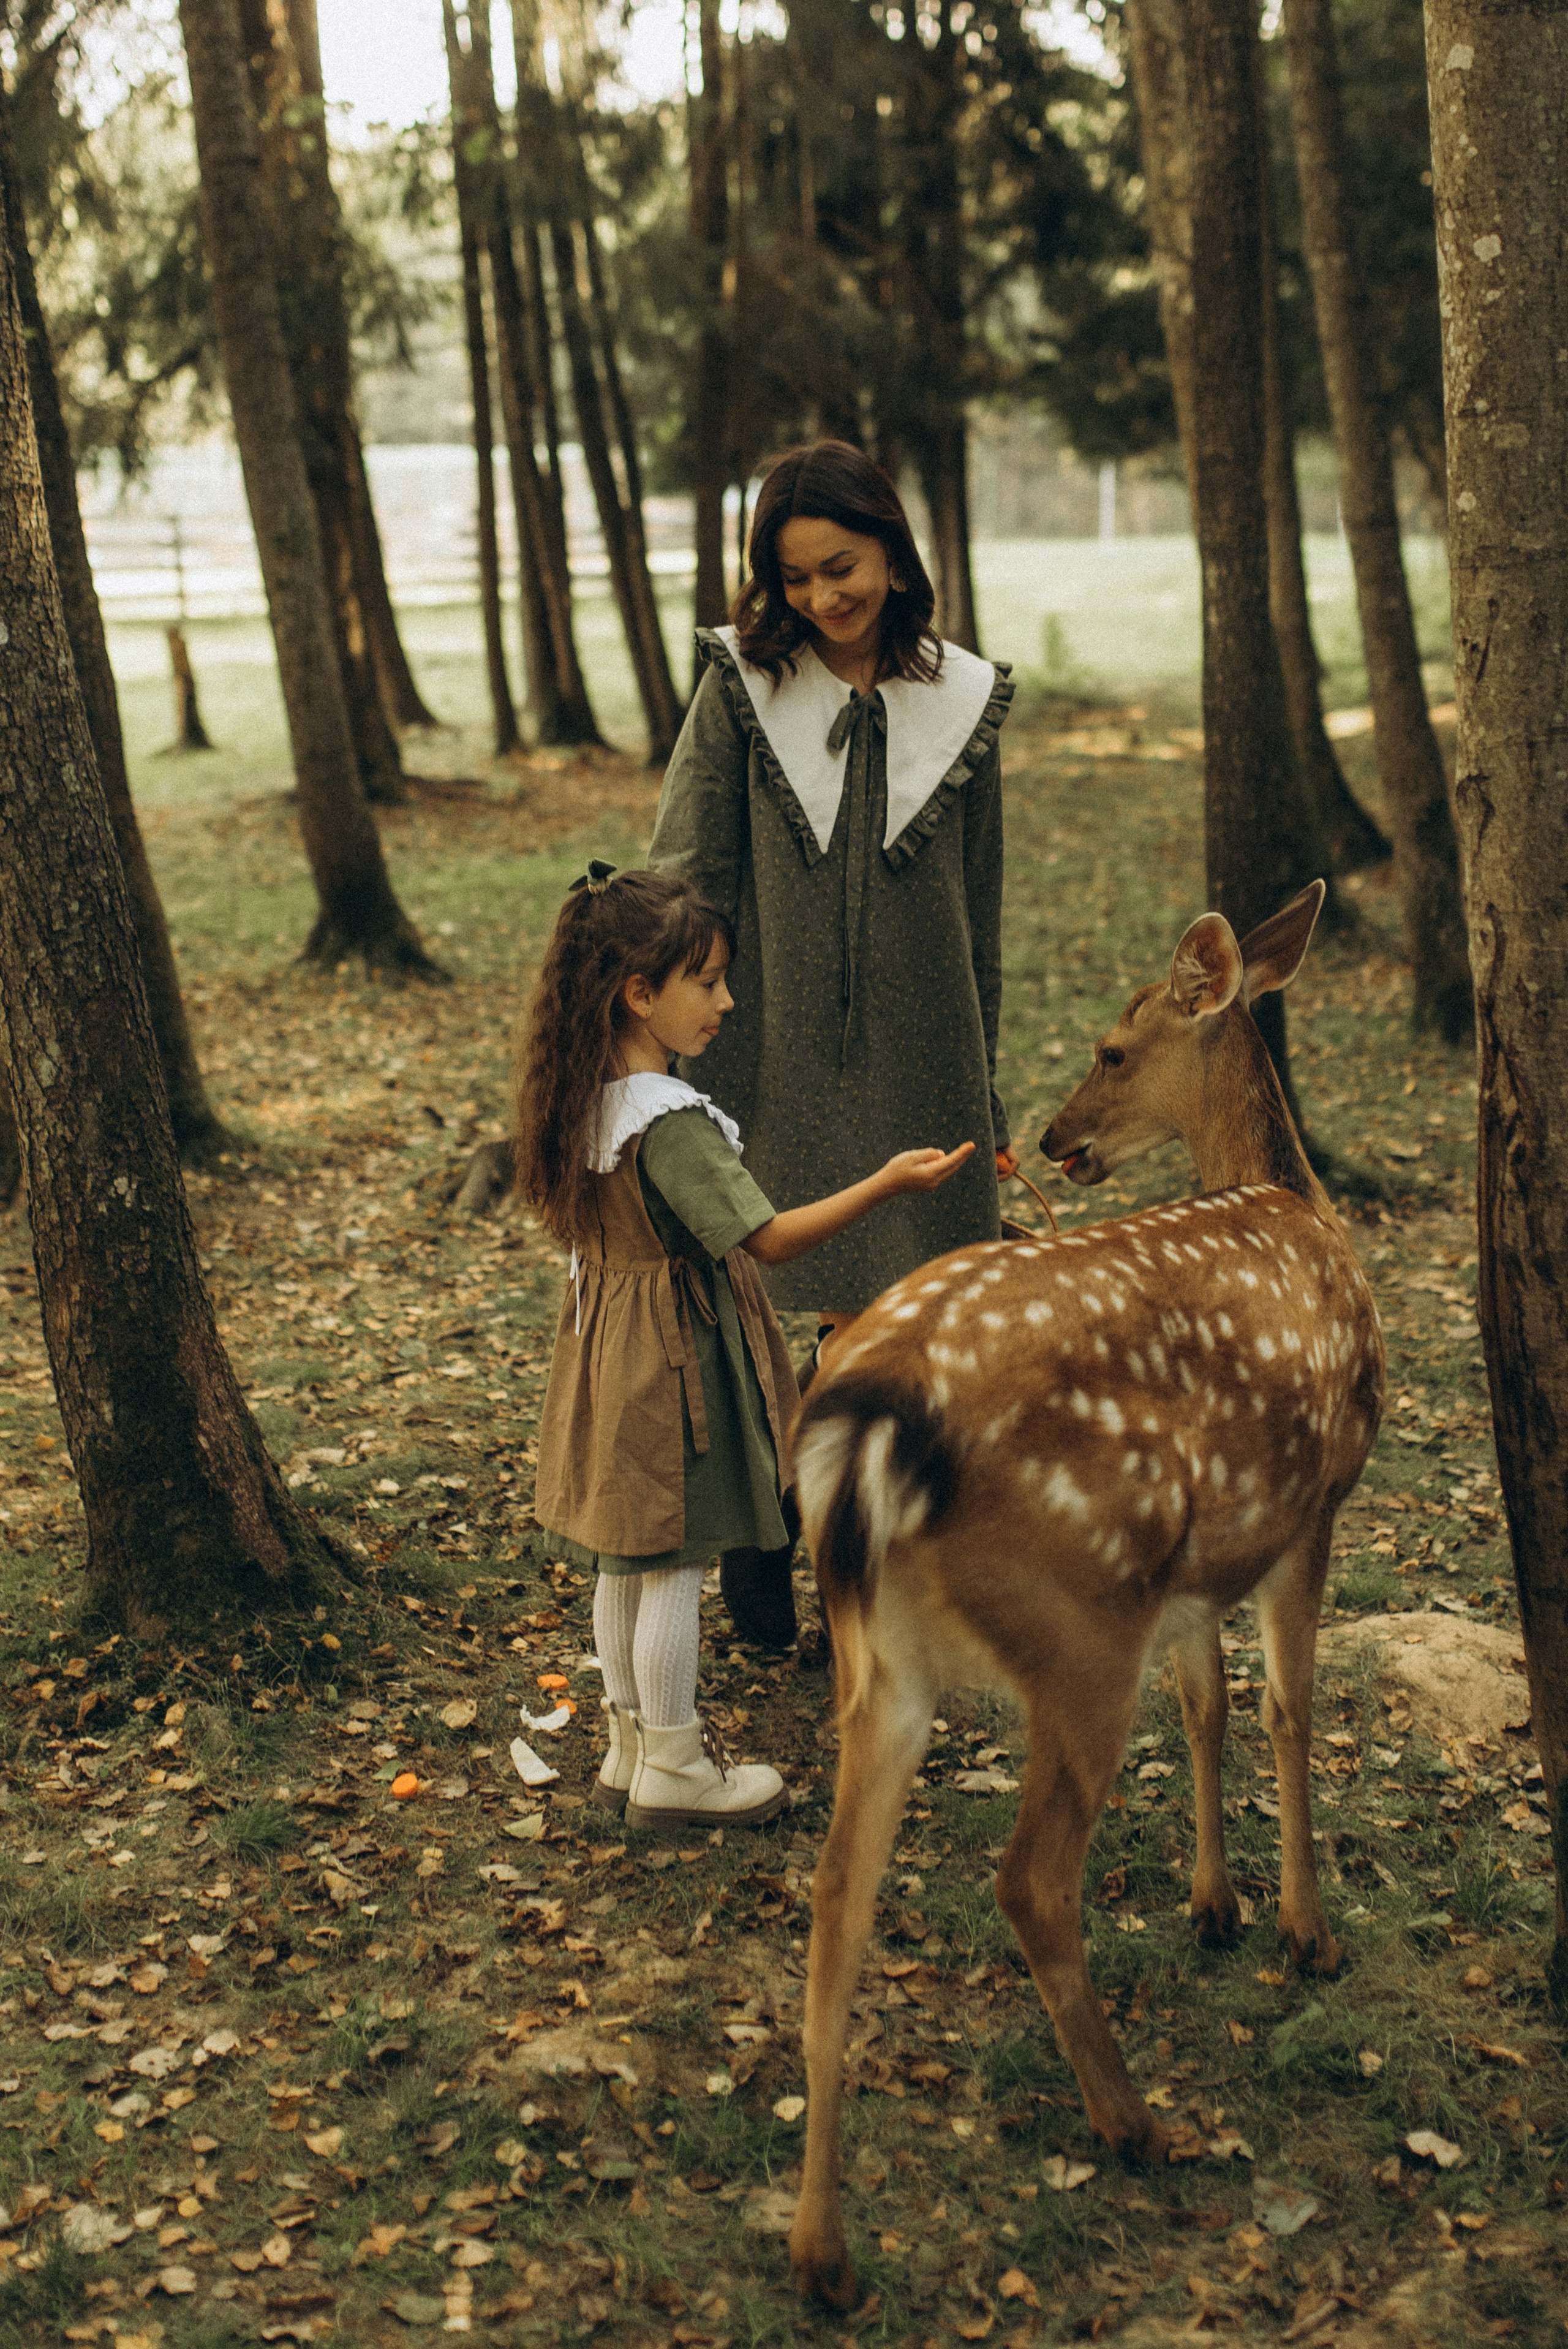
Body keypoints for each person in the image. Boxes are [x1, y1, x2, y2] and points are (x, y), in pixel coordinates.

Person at [647, 439, 1017, 1646]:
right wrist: (657, 1045)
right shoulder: (741, 690)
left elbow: (981, 914)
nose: (820, 597)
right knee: (768, 1302)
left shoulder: (965, 702)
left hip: (924, 1055)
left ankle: (845, 1550)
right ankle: (767, 1531)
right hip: (764, 1047)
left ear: (894, 557)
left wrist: (986, 1092)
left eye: (841, 568)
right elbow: (683, 870)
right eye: (795, 576)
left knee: (906, 1321)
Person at [514, 863, 973, 1828]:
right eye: (708, 981)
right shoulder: (667, 1123)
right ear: (640, 994)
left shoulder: (588, 1099)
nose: (726, 1001)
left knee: (626, 1558)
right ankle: (677, 1767)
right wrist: (887, 1183)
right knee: (675, 1559)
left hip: (608, 1351)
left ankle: (631, 1747)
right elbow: (765, 1239)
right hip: (673, 1365)